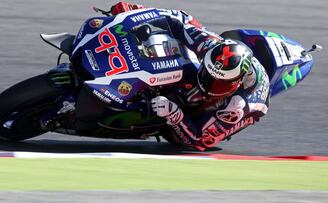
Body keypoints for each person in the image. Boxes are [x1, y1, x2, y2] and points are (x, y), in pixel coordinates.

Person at [110, 2, 270, 151]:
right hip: (228, 64)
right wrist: (136, 12)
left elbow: (199, 140)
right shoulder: (209, 46)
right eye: (207, 73)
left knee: (176, 137)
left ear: (236, 82)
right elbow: (178, 20)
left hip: (244, 108)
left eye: (218, 82)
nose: (208, 82)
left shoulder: (237, 107)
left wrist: (174, 114)